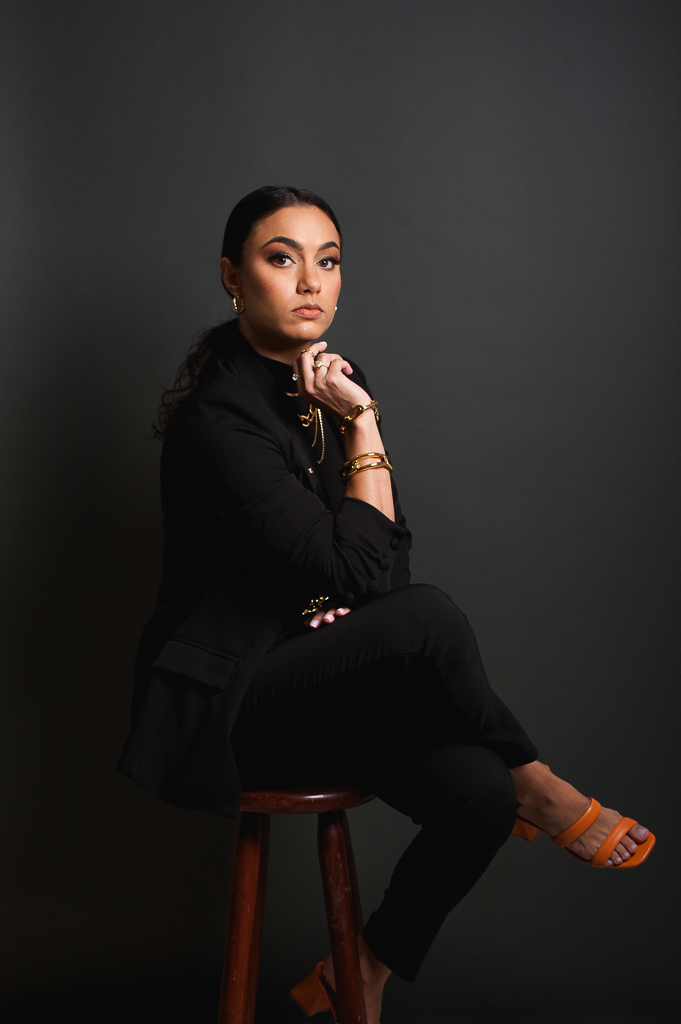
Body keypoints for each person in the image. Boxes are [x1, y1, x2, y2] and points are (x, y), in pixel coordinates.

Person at [117, 186, 655, 1023]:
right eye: (281, 258)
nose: (310, 281)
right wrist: (365, 428)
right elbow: (361, 567)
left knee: (475, 798)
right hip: (236, 703)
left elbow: (383, 559)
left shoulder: (334, 386)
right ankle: (537, 782)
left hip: (321, 679)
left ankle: (361, 971)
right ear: (232, 276)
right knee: (428, 618)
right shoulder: (218, 421)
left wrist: (355, 421)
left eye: (327, 261)